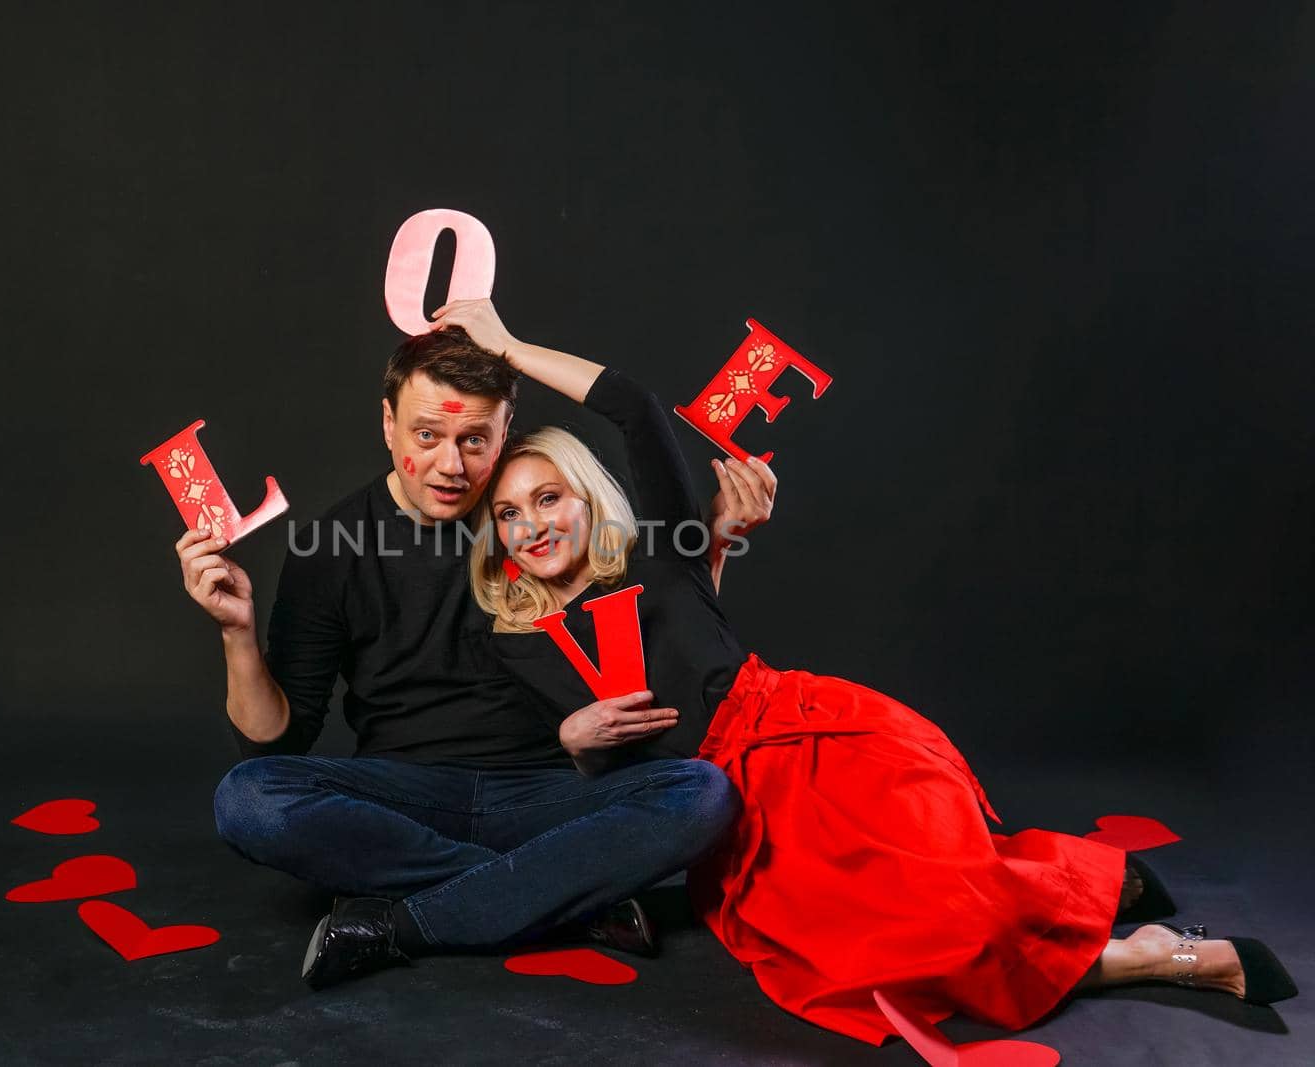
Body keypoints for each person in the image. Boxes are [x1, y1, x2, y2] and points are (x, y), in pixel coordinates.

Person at [441, 298, 1299, 1045]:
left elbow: (632, 406)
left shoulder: (664, 553)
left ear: (586, 497)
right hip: (734, 818)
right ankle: (1125, 936)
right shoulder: (516, 640)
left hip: (817, 738)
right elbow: (613, 780)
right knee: (896, 947)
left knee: (944, 890)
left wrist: (505, 343)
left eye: (547, 497)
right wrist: (575, 740)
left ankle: (1118, 924)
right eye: (510, 513)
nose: (531, 524)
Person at [181, 318, 748, 991]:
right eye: (428, 435)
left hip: (555, 791)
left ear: (505, 431)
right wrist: (235, 632)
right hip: (404, 797)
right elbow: (276, 744)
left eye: (475, 440)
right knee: (248, 799)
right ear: (387, 422)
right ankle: (559, 890)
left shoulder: (535, 515)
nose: (453, 465)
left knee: (704, 794)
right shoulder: (330, 546)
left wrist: (712, 550)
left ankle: (416, 916)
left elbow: (657, 625)